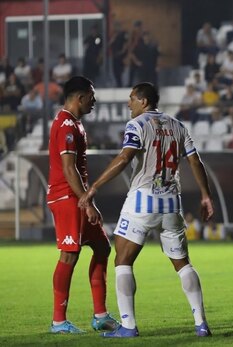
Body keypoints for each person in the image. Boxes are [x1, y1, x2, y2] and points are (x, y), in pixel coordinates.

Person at [78, 82, 215, 338]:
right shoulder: (178, 125)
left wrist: (94, 186)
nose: (128, 103)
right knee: (183, 264)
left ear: (143, 101)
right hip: (172, 202)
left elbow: (125, 157)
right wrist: (206, 195)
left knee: (122, 261)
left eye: (131, 98)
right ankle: (201, 324)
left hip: (143, 200)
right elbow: (195, 160)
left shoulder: (137, 124)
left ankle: (128, 326)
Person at [46, 76, 118, 334]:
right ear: (80, 97)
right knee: (70, 254)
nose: (94, 101)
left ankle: (100, 315)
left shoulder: (74, 124)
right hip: (67, 198)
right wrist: (86, 202)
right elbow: (68, 168)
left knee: (102, 247)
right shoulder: (66, 125)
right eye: (92, 96)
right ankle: (58, 321)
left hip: (76, 197)